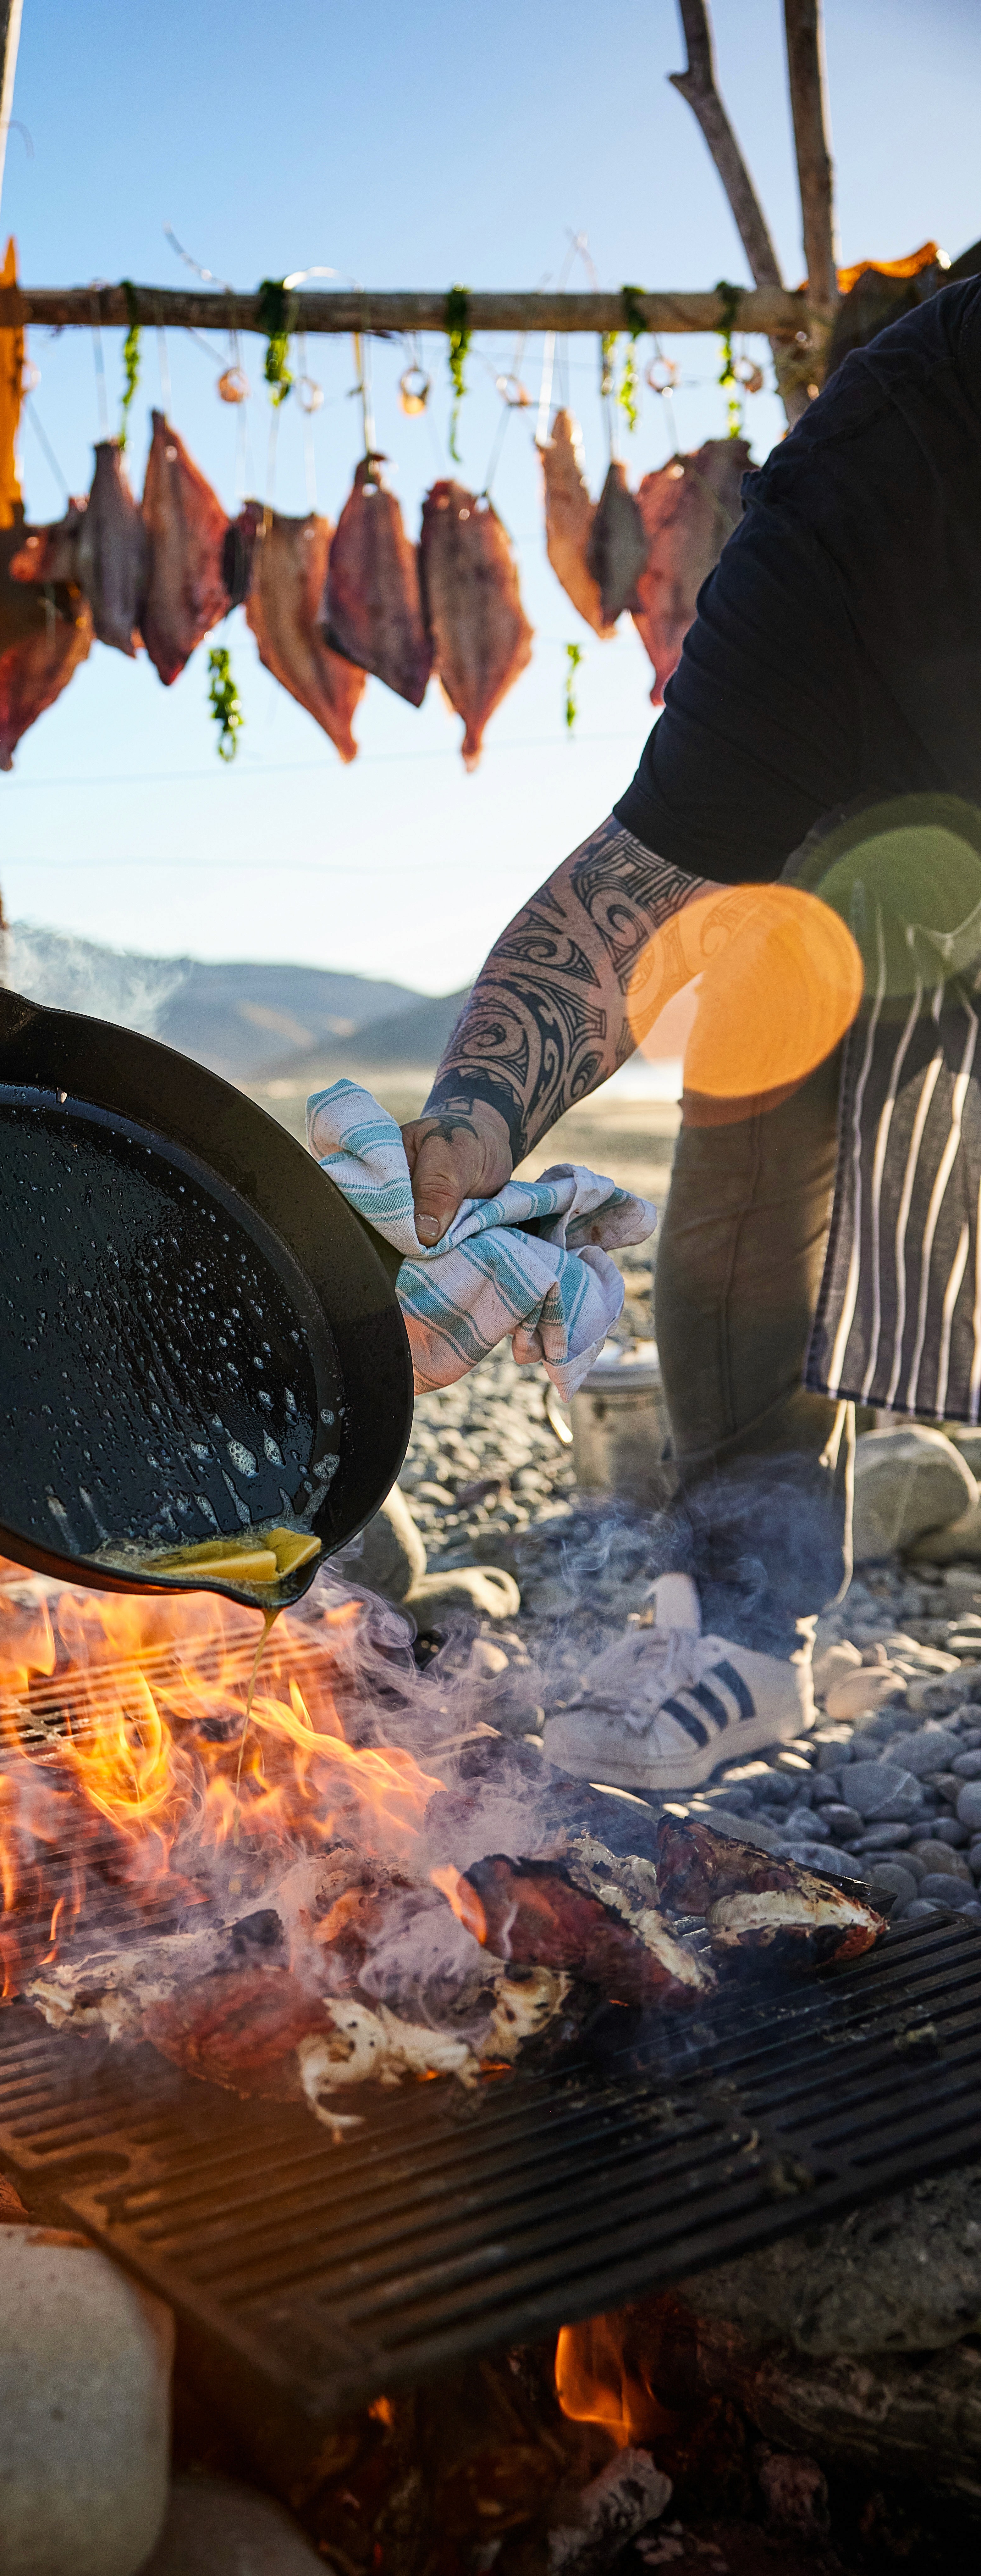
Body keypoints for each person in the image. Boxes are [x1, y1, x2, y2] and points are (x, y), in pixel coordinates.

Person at [403, 274, 981, 1793]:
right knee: (771, 974)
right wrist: (467, 1117)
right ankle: (741, 1610)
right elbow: (634, 893)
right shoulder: (869, 495)